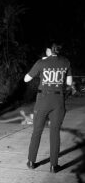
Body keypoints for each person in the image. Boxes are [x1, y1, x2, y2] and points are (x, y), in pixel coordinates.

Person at [24, 43, 73, 173]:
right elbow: (68, 82)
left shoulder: (41, 63)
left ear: (48, 50)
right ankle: (53, 165)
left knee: (37, 131)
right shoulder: (66, 62)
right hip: (58, 100)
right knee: (55, 132)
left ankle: (31, 162)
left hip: (43, 100)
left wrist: (41, 68)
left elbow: (26, 79)